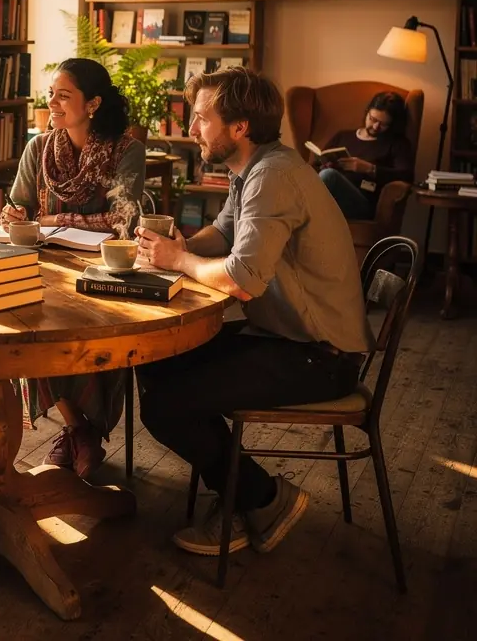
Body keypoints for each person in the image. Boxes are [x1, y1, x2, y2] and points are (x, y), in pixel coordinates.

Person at [134, 66, 374, 558]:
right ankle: (240, 494)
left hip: (320, 356)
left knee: (164, 405)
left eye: (201, 119)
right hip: (286, 337)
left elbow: (242, 281)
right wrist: (178, 244)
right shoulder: (254, 169)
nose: (192, 129)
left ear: (239, 127)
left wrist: (178, 261)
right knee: (157, 359)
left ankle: (263, 498)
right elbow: (221, 235)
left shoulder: (273, 177)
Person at [1, 57, 145, 479]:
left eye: (64, 96)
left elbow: (123, 221)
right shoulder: (39, 148)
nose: (53, 104)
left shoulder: (127, 150)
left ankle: (80, 432)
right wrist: (14, 217)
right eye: (51, 94)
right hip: (47, 268)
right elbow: (20, 209)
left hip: (106, 274)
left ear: (94, 103)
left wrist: (51, 220)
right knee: (26, 327)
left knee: (90, 335)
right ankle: (78, 429)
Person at [313, 91, 413, 220]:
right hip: (328, 198)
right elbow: (315, 165)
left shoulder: (397, 143)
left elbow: (406, 175)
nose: (376, 127)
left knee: (329, 176)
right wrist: (323, 165)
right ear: (367, 113)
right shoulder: (343, 136)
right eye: (373, 119)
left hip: (362, 203)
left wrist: (370, 169)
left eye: (384, 124)